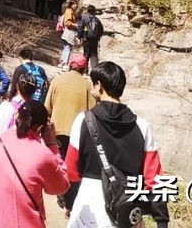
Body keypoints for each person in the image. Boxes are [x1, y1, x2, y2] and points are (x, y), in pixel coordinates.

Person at [65, 62, 170, 228]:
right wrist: (162, 222)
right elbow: (155, 180)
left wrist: (69, 204)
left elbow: (71, 172)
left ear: (99, 86)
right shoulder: (142, 127)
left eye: (93, 84)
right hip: (125, 211)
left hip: (89, 207)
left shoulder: (83, 121)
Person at [0, 101, 70, 228]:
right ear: (41, 129)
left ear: (15, 117)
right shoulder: (43, 155)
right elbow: (61, 185)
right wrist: (52, 144)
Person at [46, 55, 95, 212]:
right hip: (78, 133)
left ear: (70, 65)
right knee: (74, 166)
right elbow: (92, 111)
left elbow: (47, 107)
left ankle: (61, 196)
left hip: (57, 130)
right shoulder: (87, 85)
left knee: (59, 164)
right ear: (83, 68)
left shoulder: (57, 80)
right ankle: (71, 198)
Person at [0, 72, 36, 141]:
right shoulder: (35, 112)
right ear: (34, 91)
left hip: (4, 148)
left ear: (17, 86)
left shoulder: (6, 107)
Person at [77, 5, 104, 73]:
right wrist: (97, 37)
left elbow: (80, 28)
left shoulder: (84, 18)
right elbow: (101, 30)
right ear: (94, 11)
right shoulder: (97, 20)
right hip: (94, 40)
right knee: (94, 54)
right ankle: (94, 71)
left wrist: (79, 37)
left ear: (87, 10)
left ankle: (85, 70)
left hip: (86, 39)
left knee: (86, 54)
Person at [58, 0, 78, 69]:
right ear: (71, 4)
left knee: (66, 47)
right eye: (74, 4)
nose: (75, 6)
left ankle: (62, 62)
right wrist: (75, 25)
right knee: (68, 48)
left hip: (67, 31)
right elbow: (67, 22)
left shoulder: (68, 10)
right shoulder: (69, 11)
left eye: (76, 4)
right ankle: (65, 63)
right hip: (69, 32)